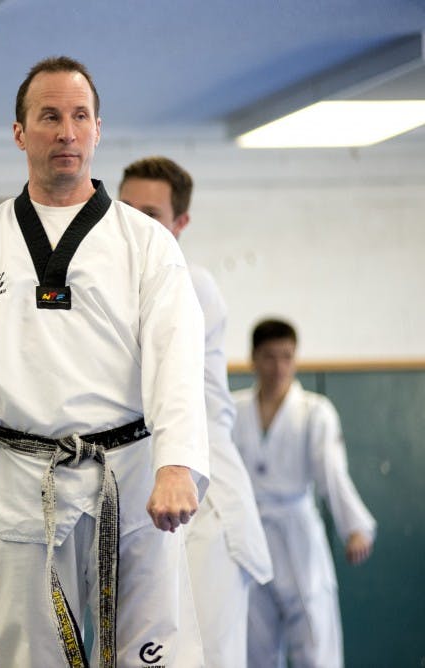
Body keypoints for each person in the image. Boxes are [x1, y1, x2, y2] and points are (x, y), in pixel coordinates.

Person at [0, 56, 209, 668]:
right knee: (30, 657)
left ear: (99, 129)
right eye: (49, 116)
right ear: (19, 132)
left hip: (127, 475)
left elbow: (176, 357)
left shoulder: (145, 241)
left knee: (149, 656)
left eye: (79, 116)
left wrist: (177, 464)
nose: (66, 132)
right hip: (22, 479)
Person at [118, 156, 273, 666]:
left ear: (180, 224)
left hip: (209, 511)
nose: (135, 225)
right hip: (160, 506)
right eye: (124, 210)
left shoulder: (191, 282)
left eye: (151, 214)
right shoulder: (118, 285)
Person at [232, 318, 376, 667]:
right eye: (269, 357)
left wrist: (354, 527)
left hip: (298, 534)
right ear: (253, 359)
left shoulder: (315, 412)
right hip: (251, 533)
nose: (278, 367)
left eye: (286, 356)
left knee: (315, 638)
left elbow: (331, 471)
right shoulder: (233, 410)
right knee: (255, 643)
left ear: (295, 358)